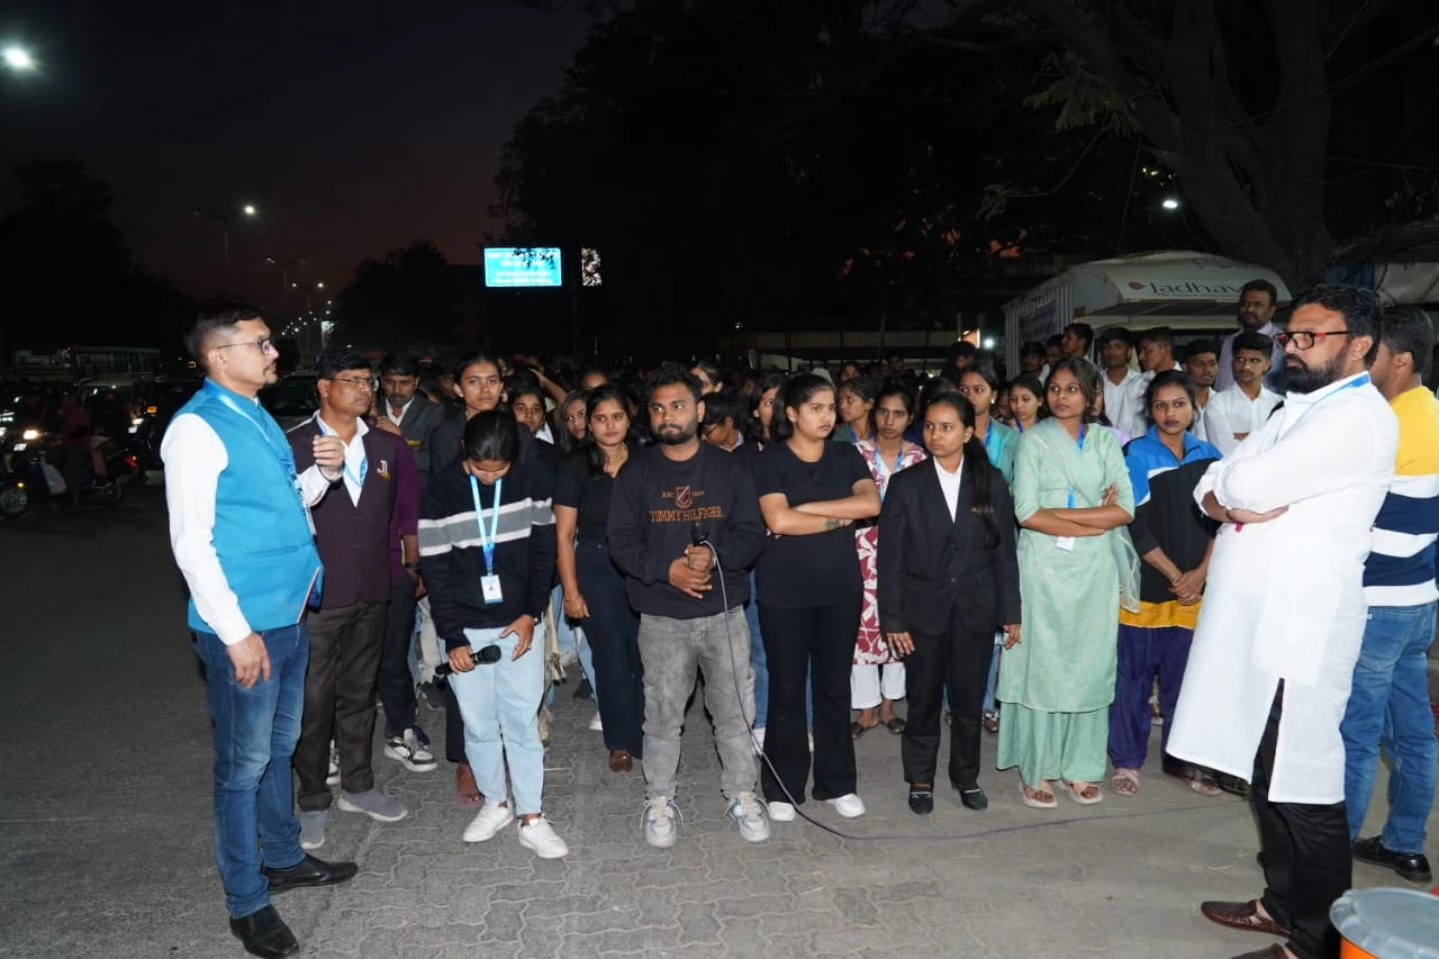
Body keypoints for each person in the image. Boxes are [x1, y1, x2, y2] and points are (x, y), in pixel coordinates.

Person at [1168, 285, 1396, 959]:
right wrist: (1226, 493)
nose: (1291, 348)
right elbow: (1209, 482)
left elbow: (1242, 484)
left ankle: (1317, 939)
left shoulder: (1356, 418)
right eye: (1289, 337)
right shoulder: (1294, 408)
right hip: (1258, 622)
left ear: (1359, 345)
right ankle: (1281, 902)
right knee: (1266, 772)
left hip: (1302, 627)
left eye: (1309, 337)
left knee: (1304, 782)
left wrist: (1230, 490)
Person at [162, 297, 356, 959]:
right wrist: (234, 632)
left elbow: (281, 505)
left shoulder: (257, 414)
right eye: (262, 343)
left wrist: (324, 474)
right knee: (242, 767)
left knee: (279, 748)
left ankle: (283, 856)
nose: (275, 352)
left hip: (288, 613)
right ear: (220, 356)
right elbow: (192, 543)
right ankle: (247, 901)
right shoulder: (196, 428)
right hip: (245, 627)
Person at [607, 366, 771, 847]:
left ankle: (742, 793)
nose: (668, 416)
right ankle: (659, 798)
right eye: (658, 408)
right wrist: (667, 569)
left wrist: (715, 556)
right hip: (662, 616)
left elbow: (751, 533)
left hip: (724, 613)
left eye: (678, 405)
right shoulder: (636, 472)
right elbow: (621, 542)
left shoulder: (730, 468)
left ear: (700, 410)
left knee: (734, 712)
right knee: (661, 715)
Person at [418, 411, 569, 858]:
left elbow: (543, 553)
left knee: (522, 721)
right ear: (465, 449)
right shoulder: (439, 491)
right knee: (479, 723)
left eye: (499, 470)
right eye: (481, 469)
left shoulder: (531, 481)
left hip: (519, 624)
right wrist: (452, 636)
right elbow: (436, 569)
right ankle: (496, 802)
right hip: (465, 627)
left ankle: (532, 816)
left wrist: (530, 614)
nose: (489, 477)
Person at [287, 351, 418, 851]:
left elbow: (399, 512)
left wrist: (407, 566)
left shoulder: (386, 445)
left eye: (369, 381)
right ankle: (313, 798)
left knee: (361, 692)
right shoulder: (294, 444)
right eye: (353, 380)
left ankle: (358, 785)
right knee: (314, 699)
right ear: (324, 387)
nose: (365, 389)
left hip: (373, 588)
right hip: (319, 594)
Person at [998, 358, 1137, 808]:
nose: (1061, 396)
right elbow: (1026, 513)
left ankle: (1081, 766)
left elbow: (1126, 509)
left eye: (1072, 388)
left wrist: (1063, 517)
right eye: (1055, 388)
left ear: (1092, 396)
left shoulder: (1105, 441)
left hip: (1095, 570)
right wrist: (1095, 520)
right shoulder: (1033, 441)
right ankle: (1037, 768)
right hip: (1043, 568)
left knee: (1088, 663)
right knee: (1045, 663)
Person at [880, 393, 1020, 815]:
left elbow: (1005, 552)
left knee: (968, 702)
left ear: (967, 432)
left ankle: (966, 776)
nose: (935, 435)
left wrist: (1011, 611)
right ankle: (920, 779)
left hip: (976, 610)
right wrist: (893, 619)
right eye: (929, 426)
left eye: (946, 427)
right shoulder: (906, 485)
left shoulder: (990, 481)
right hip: (923, 612)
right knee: (922, 700)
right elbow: (891, 559)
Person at [753, 374, 881, 822]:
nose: (828, 416)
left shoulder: (846, 455)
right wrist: (835, 517)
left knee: (833, 687)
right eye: (816, 408)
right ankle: (783, 788)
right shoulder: (771, 460)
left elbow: (871, 505)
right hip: (783, 591)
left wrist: (805, 509)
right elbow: (778, 521)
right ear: (792, 413)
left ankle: (837, 782)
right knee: (787, 689)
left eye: (831, 407)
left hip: (839, 589)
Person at [1340, 305, 1438, 885]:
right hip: (1419, 601)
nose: (1362, 359)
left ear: (1399, 359)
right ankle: (1406, 845)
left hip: (1378, 602)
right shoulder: (1431, 411)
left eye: (1370, 351)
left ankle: (1332, 854)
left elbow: (1369, 530)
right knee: (1415, 734)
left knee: (1356, 734)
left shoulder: (1388, 424)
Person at [1108, 371, 1222, 799]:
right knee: (1133, 680)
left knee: (1186, 681)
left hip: (1195, 589)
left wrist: (1202, 572)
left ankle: (1183, 761)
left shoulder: (1210, 455)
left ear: (1193, 407)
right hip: (1147, 587)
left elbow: (1221, 521)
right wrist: (1176, 574)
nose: (1170, 413)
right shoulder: (1136, 453)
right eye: (1160, 405)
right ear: (1149, 411)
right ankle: (1126, 761)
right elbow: (1133, 524)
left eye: (1178, 404)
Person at [554, 384, 644, 773]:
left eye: (617, 417)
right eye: (601, 418)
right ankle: (620, 741)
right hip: (596, 565)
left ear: (629, 418)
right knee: (610, 658)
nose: (610, 426)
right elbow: (564, 535)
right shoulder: (576, 466)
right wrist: (571, 592)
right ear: (589, 424)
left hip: (644, 566)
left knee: (647, 655)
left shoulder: (647, 460)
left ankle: (647, 734)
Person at [851, 382, 927, 737]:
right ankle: (866, 709)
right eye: (883, 412)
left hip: (906, 554)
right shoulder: (855, 454)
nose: (889, 420)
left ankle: (889, 705)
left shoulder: (920, 458)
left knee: (901, 624)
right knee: (862, 628)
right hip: (861, 551)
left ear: (910, 418)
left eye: (898, 414)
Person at [958, 364, 1019, 734]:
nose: (970, 396)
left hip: (996, 534)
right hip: (957, 537)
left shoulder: (1011, 439)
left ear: (994, 395)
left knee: (993, 628)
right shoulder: (950, 432)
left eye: (978, 389)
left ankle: (986, 703)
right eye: (964, 389)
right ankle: (955, 702)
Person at [1203, 331, 1283, 457]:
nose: (1246, 366)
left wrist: (1241, 437)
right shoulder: (1217, 404)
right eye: (1240, 359)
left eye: (1254, 361)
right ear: (1232, 362)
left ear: (1268, 365)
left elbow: (1284, 447)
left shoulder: (1280, 404)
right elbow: (1224, 450)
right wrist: (1267, 437)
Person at [376, 351, 447, 474]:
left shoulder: (433, 412)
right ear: (381, 381)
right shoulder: (370, 410)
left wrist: (399, 439)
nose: (396, 390)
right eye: (389, 382)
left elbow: (433, 461)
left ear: (416, 382)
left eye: (404, 383)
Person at [1216, 279, 1287, 393]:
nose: (1249, 309)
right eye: (1245, 304)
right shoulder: (1229, 341)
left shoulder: (1283, 343)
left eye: (1257, 305)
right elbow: (1221, 384)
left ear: (1271, 310)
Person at [1098, 329, 1144, 439]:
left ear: (1129, 352)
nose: (1112, 352)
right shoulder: (1094, 382)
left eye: (1118, 347)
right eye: (1107, 347)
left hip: (1133, 444)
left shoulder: (1141, 382)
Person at [1182, 338, 1220, 442]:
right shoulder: (1177, 404)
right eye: (1199, 364)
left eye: (1212, 363)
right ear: (1185, 368)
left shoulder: (1223, 402)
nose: (1207, 370)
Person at [834, 376, 878, 444]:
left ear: (869, 404)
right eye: (840, 400)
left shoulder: (881, 432)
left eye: (850, 400)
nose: (842, 406)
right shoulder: (839, 435)